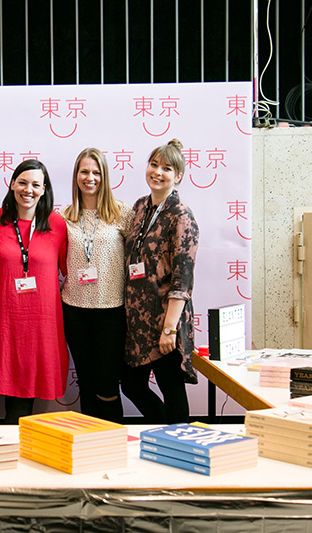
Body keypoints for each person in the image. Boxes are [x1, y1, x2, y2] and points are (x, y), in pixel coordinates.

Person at [0, 159, 69, 425]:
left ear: (44, 189)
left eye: (36, 185)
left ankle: (22, 438)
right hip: (6, 318)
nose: (28, 190)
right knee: (11, 386)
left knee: (32, 388)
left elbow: (67, 267)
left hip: (42, 320)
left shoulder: (57, 224)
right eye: (22, 183)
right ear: (11, 184)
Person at [121, 138, 199, 424]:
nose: (158, 172)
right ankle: (167, 429)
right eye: (154, 165)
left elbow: (183, 278)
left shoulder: (181, 215)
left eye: (167, 168)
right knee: (132, 385)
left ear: (178, 176)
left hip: (165, 318)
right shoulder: (141, 207)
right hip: (137, 319)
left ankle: (181, 441)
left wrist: (169, 329)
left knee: (171, 388)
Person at [59, 148, 134, 424]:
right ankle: (89, 441)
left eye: (96, 172)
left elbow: (138, 256)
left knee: (107, 387)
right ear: (76, 176)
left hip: (111, 311)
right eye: (84, 172)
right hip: (74, 310)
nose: (90, 178)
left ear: (104, 176)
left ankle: (113, 440)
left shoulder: (121, 212)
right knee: (86, 383)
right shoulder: (65, 216)